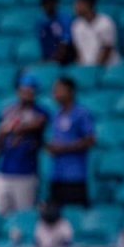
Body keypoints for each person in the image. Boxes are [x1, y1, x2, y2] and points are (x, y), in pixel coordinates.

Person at [0, 74, 50, 216]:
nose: (27, 94)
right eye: (24, 90)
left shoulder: (41, 112)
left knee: (23, 216)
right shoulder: (8, 111)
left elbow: (36, 124)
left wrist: (11, 128)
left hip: (26, 173)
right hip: (4, 172)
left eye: (30, 90)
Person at [46, 76, 94, 207]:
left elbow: (90, 140)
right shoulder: (55, 114)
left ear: (70, 91)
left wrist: (64, 148)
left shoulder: (81, 113)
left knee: (75, 213)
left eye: (59, 89)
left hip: (75, 175)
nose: (55, 93)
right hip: (57, 175)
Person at [70, 0, 119, 67]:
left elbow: (107, 49)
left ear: (87, 5)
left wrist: (95, 69)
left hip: (108, 66)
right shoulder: (76, 25)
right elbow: (79, 51)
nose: (75, 7)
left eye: (79, 4)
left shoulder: (105, 22)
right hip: (87, 68)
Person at [37, 0, 74, 64]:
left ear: (55, 2)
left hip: (65, 60)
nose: (48, 5)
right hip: (48, 58)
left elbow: (65, 42)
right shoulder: (40, 22)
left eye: (51, 2)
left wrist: (54, 60)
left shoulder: (64, 19)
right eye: (45, 2)